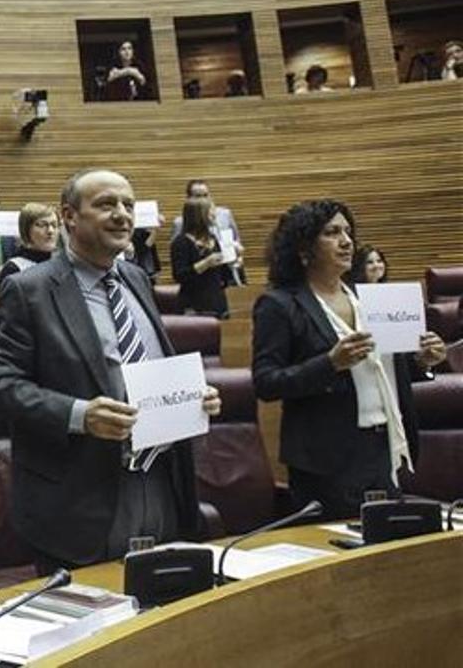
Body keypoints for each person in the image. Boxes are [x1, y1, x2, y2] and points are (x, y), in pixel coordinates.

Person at [0, 168, 220, 571]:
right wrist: (80, 415)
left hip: (160, 481)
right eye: (106, 204)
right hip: (80, 498)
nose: (122, 215)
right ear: (69, 217)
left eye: (128, 204)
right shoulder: (29, 289)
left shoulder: (136, 278)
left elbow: (148, 363)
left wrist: (195, 396)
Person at [252, 200, 445, 520]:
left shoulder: (370, 297)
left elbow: (388, 369)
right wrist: (330, 363)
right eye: (332, 233)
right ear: (304, 248)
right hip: (325, 461)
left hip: (384, 448)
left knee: (387, 549)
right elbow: (266, 382)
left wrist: (423, 360)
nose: (346, 241)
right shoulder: (279, 304)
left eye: (348, 231)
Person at [171, 179, 245, 285]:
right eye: (198, 196)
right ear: (188, 199)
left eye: (205, 195)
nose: (203, 200)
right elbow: (179, 263)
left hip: (228, 274)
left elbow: (236, 241)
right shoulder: (180, 223)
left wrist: (238, 254)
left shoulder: (225, 215)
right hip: (197, 282)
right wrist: (206, 263)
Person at [171, 197, 232, 318]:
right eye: (211, 211)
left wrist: (232, 260)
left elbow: (224, 276)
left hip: (217, 303)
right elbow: (180, 275)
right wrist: (206, 263)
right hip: (193, 305)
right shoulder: (181, 242)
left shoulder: (213, 238)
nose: (214, 214)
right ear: (199, 215)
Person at [0, 202, 58, 285]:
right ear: (26, 230)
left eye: (54, 225)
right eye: (42, 225)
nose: (51, 231)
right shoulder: (14, 269)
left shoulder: (61, 264)